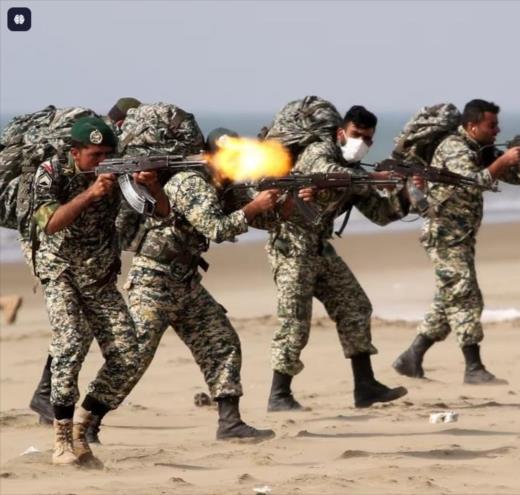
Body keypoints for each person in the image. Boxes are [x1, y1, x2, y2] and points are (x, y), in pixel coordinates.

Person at [106, 126, 277, 441]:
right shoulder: (191, 183)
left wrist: (283, 204)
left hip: (185, 281)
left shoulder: (225, 185)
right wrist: (254, 207)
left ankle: (230, 423)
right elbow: (216, 228)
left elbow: (262, 219)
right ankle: (88, 421)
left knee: (222, 342)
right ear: (210, 156)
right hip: (153, 279)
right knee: (134, 357)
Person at [264, 100, 410, 411]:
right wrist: (373, 179)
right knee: (295, 322)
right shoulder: (320, 151)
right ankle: (279, 395)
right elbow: (326, 172)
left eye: (368, 138)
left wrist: (409, 191)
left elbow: (382, 213)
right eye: (357, 134)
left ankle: (365, 387)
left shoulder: (353, 172)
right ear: (341, 132)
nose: (362, 143)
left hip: (318, 246)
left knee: (356, 306)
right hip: (291, 245)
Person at [392, 98, 520, 384]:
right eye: (491, 125)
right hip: (445, 234)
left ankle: (411, 358)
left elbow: (517, 178)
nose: (497, 130)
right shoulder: (454, 147)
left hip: (461, 236)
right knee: (465, 295)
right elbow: (473, 181)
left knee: (447, 299)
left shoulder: (479, 148)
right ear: (472, 126)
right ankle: (473, 367)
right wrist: (504, 159)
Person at [31, 117, 150, 466]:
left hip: (99, 276)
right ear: (75, 153)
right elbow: (50, 223)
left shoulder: (120, 173)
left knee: (129, 355)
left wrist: (150, 185)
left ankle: (86, 422)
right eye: (95, 154)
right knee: (69, 344)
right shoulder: (50, 172)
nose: (102, 161)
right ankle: (62, 437)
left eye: (108, 154)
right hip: (61, 271)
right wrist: (90, 193)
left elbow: (159, 211)